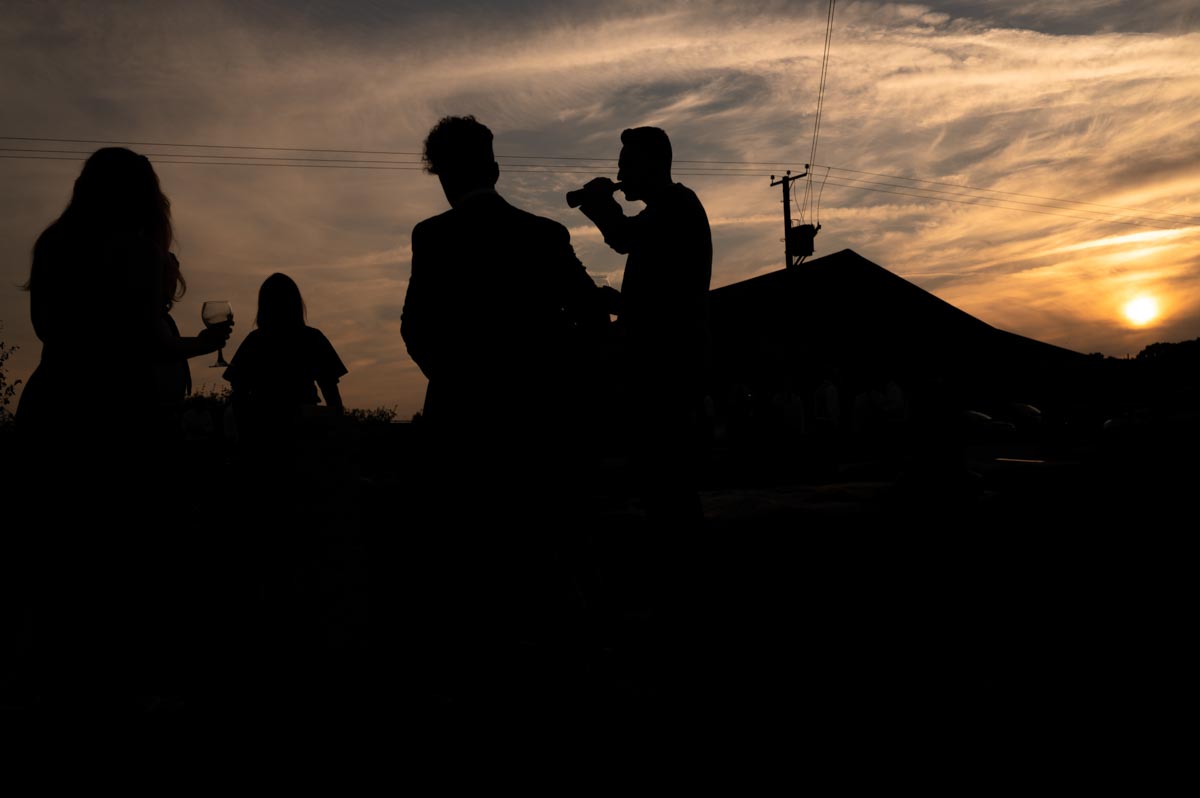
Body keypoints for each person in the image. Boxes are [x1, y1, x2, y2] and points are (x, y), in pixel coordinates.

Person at [400, 115, 609, 706]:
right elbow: (592, 318)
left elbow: (414, 328)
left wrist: (457, 381)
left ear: (441, 175)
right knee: (545, 555)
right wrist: (556, 378)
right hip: (539, 428)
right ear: (494, 168)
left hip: (462, 428)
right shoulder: (543, 235)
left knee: (471, 568)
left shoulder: (432, 236)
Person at [13, 147, 231, 706]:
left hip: (52, 409)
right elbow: (145, 343)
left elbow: (48, 331)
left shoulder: (53, 245)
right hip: (118, 420)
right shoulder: (137, 251)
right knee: (126, 569)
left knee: (57, 566)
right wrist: (198, 345)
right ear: (145, 196)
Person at [572, 126, 713, 531]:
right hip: (663, 361)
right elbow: (660, 298)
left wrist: (599, 203)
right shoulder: (665, 211)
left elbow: (622, 237)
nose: (622, 174)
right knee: (661, 481)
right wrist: (619, 303)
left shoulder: (677, 205)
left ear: (652, 164)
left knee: (667, 479)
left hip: (670, 366)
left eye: (627, 165)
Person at [223, 272, 347, 457]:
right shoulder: (313, 338)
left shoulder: (255, 341)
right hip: (306, 430)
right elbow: (332, 395)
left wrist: (243, 434)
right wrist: (339, 437)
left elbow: (238, 393)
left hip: (263, 430)